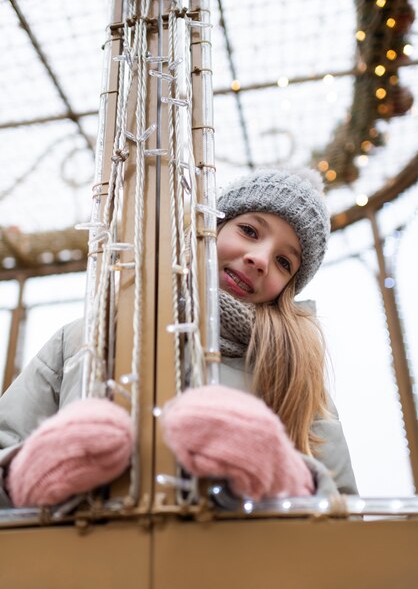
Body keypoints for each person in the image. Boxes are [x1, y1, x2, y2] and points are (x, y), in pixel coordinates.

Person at [0, 167, 357, 508]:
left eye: (284, 262)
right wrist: (24, 473)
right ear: (211, 227)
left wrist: (288, 480)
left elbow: (347, 520)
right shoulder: (82, 339)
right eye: (249, 231)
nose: (260, 259)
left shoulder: (294, 373)